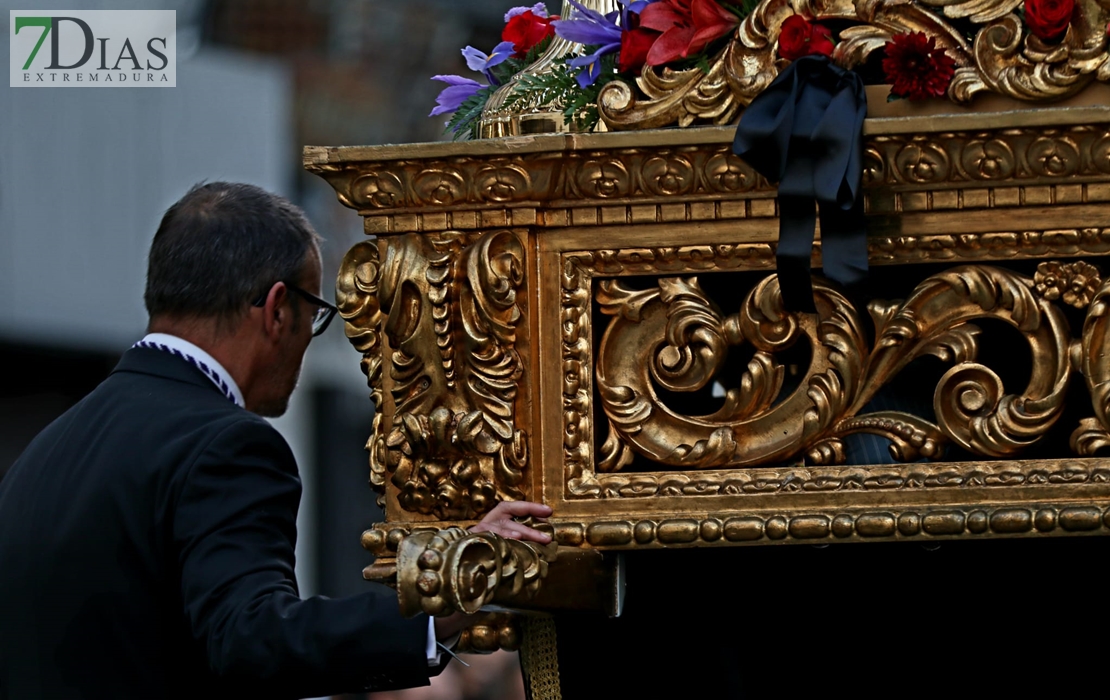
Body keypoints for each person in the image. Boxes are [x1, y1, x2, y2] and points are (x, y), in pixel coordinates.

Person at [0, 182, 551, 700]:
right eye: (317, 315)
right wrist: (444, 596)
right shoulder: (224, 444)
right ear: (278, 309)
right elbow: (251, 638)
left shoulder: (47, 450)